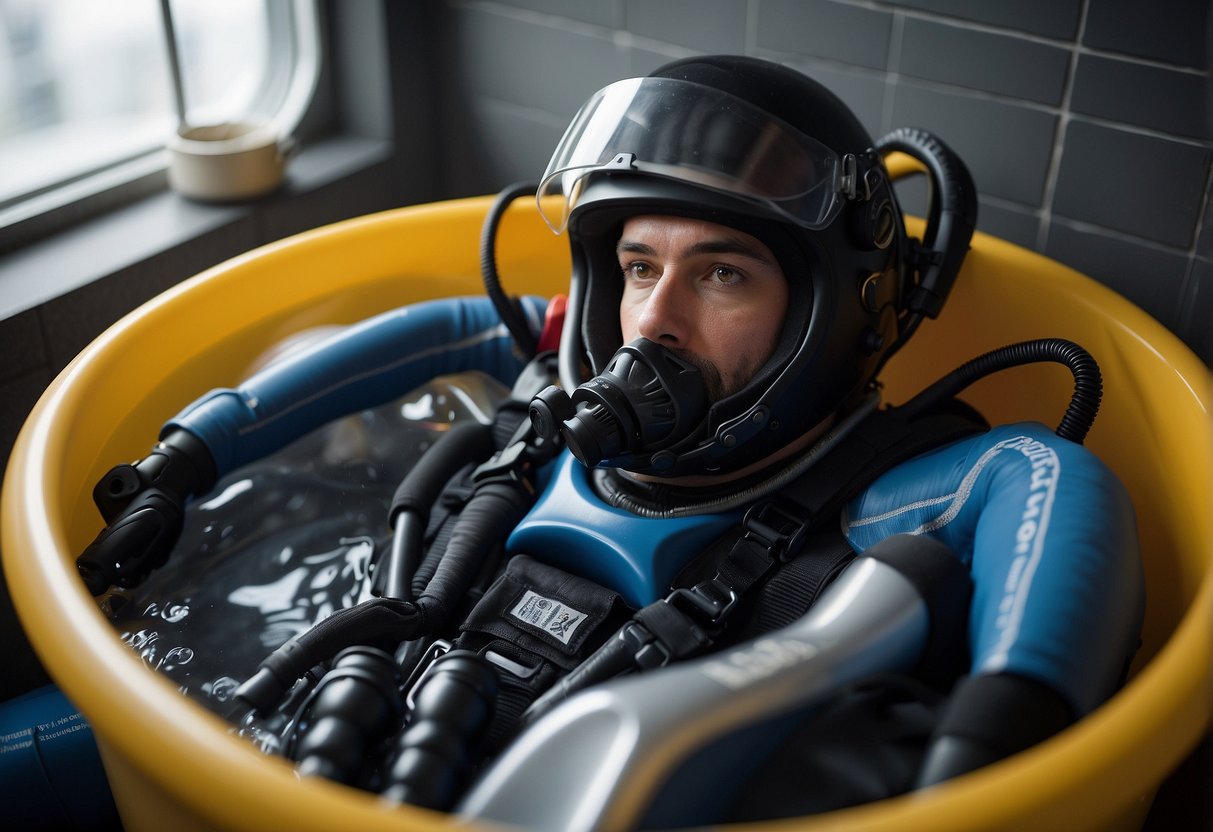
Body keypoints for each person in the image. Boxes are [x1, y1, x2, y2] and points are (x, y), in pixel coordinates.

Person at [77, 55, 1144, 825]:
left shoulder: (896, 491)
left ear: (835, 311)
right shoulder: (562, 379)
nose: (653, 320)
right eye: (637, 265)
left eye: (722, 272)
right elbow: (438, 329)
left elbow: (1042, 473)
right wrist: (186, 459)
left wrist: (990, 755)